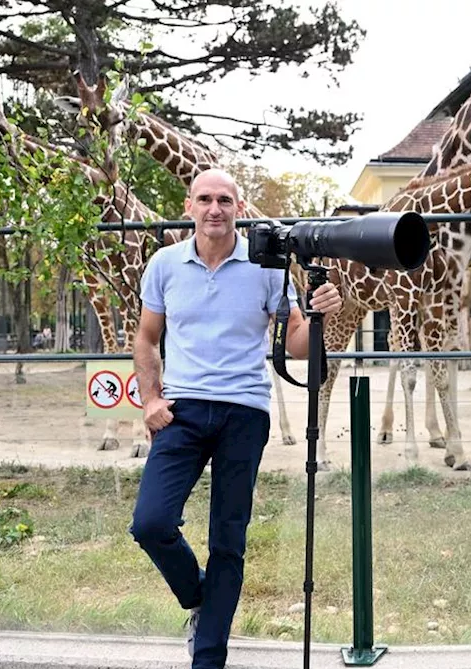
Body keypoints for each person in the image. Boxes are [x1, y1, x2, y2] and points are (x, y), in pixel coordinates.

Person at [130, 167, 342, 669]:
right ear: (189, 207)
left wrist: (318, 316)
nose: (214, 208)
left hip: (244, 413)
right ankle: (200, 598)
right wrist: (150, 400)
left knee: (229, 537)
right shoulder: (163, 265)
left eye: (225, 199)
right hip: (180, 411)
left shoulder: (267, 268)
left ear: (239, 209)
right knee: (150, 523)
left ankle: (209, 659)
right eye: (204, 199)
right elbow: (146, 337)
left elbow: (294, 343)